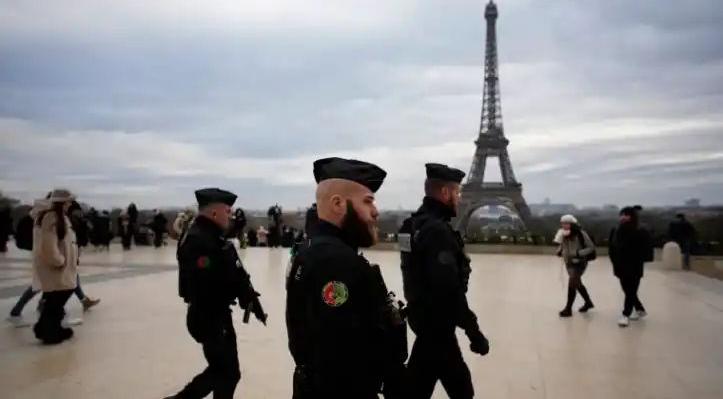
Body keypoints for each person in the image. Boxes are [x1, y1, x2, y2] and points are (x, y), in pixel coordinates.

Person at [286, 157, 400, 399]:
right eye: (368, 201)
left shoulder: (313, 249)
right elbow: (341, 350)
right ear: (338, 204)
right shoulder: (336, 262)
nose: (376, 211)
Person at [398, 163, 489, 399]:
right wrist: (474, 332)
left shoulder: (412, 226)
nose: (459, 199)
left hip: (422, 318)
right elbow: (449, 290)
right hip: (437, 323)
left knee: (420, 385)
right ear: (445, 193)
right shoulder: (438, 231)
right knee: (461, 390)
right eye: (457, 193)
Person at [166, 188, 266, 399]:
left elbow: (228, 271)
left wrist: (247, 296)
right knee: (225, 371)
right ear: (213, 213)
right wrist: (236, 287)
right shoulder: (198, 239)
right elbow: (206, 280)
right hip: (208, 315)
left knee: (226, 372)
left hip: (214, 314)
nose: (230, 216)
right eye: (227, 212)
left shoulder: (210, 236)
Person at [6, 199, 100, 328]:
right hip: (49, 260)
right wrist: (60, 259)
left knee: (59, 284)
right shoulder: (49, 219)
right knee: (51, 285)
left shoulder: (49, 218)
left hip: (50, 259)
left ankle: (27, 311)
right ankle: (23, 312)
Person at [31, 189, 79, 344]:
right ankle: (49, 331)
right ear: (62, 202)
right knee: (57, 298)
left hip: (63, 267)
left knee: (55, 299)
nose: (70, 204)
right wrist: (59, 260)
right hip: (56, 267)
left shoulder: (60, 217)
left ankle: (47, 328)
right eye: (68, 202)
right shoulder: (52, 218)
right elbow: (49, 245)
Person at [609, 207, 652, 327]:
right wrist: (614, 261)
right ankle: (640, 309)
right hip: (620, 265)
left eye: (627, 215)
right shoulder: (616, 230)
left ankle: (625, 315)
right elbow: (611, 248)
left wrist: (640, 260)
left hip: (634, 265)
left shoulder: (641, 231)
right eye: (622, 214)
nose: (624, 217)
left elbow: (646, 250)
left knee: (631, 290)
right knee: (628, 290)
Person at [556, 214, 596, 317]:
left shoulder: (581, 233)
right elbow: (563, 245)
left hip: (579, 263)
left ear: (573, 224)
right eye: (563, 223)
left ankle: (568, 309)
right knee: (577, 283)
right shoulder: (563, 234)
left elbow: (591, 247)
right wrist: (560, 251)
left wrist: (578, 253)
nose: (564, 225)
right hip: (569, 263)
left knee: (572, 282)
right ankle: (588, 303)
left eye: (567, 223)